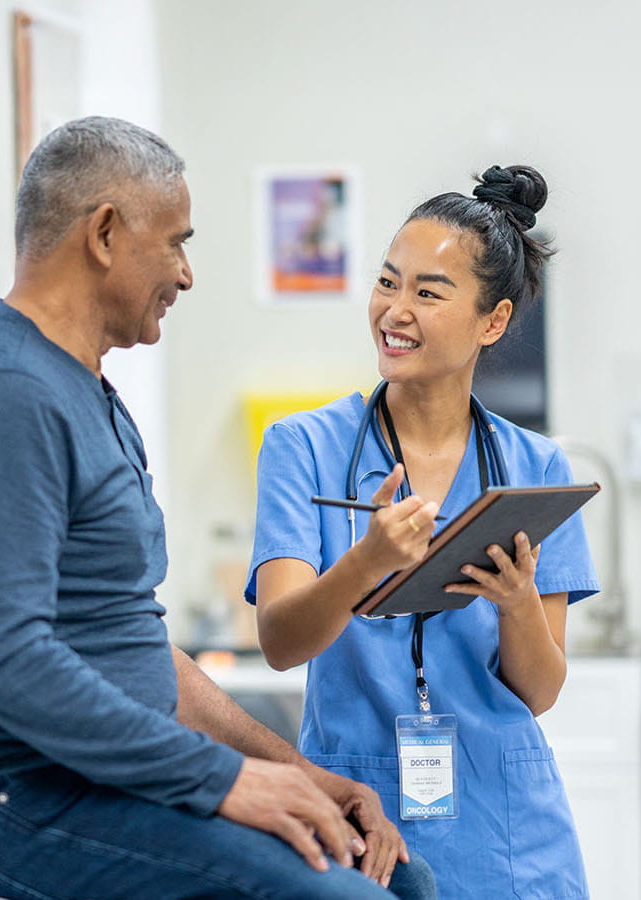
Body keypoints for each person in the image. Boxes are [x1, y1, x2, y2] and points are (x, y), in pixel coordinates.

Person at [0, 117, 435, 900]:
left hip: (80, 780)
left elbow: (137, 650)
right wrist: (222, 782)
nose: (186, 273)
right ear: (104, 233)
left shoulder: (87, 392)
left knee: (403, 879)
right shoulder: (2, 397)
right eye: (176, 242)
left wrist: (298, 775)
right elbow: (2, 661)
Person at [247, 164, 600, 899]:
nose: (394, 311)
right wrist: (366, 562)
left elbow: (539, 691)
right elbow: (281, 643)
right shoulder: (302, 448)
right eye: (387, 282)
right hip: (358, 814)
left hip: (509, 826)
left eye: (428, 293)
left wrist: (516, 603)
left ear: (492, 321)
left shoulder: (534, 468)